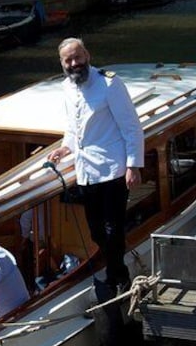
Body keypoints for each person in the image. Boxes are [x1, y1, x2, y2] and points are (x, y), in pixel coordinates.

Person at [46, 37, 145, 291]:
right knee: (96, 232)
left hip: (113, 168)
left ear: (87, 55)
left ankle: (117, 277)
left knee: (113, 228)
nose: (74, 63)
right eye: (68, 60)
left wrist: (133, 166)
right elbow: (73, 126)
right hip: (86, 172)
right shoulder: (66, 87)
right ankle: (114, 265)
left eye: (78, 57)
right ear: (62, 63)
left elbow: (132, 127)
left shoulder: (110, 84)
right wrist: (64, 148)